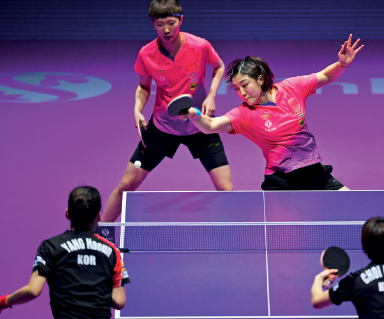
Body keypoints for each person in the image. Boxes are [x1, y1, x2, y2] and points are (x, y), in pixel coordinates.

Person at [102, 0, 233, 222]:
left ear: (181, 20)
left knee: (226, 189)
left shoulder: (199, 45)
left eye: (171, 23)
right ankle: (99, 234)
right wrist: (137, 109)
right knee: (126, 184)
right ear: (153, 24)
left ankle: (236, 233)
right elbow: (144, 86)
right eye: (159, 24)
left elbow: (219, 66)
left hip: (200, 125)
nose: (166, 29)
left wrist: (211, 95)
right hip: (162, 127)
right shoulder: (147, 54)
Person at [178, 34, 362, 190]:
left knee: (351, 204)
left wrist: (342, 64)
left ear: (259, 79)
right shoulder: (244, 114)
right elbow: (210, 126)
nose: (241, 93)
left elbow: (325, 76)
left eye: (244, 85)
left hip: (315, 173)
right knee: (283, 232)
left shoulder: (292, 87)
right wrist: (195, 114)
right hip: (281, 181)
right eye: (236, 88)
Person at [0, 186, 130, 318]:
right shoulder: (113, 251)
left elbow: (33, 290)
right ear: (99, 216)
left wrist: (3, 302)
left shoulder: (50, 247)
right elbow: (119, 301)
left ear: (67, 213)